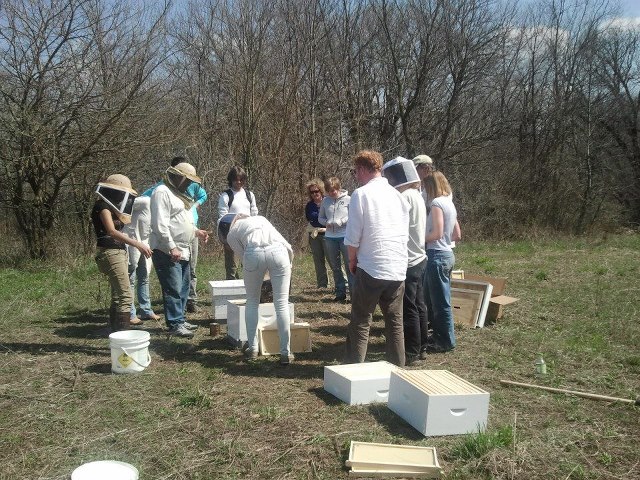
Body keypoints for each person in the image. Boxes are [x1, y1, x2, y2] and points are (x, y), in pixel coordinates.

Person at [344, 150, 410, 367]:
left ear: (363, 169)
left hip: (372, 265)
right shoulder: (398, 196)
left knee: (361, 320)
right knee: (395, 323)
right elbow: (403, 232)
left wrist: (352, 261)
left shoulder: (361, 195)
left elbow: (353, 237)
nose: (356, 176)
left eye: (356, 172)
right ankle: (398, 368)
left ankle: (355, 369)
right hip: (397, 266)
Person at [219, 214, 295, 365]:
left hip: (253, 254)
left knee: (252, 301)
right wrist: (289, 264)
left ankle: (253, 348)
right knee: (281, 303)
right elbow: (285, 243)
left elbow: (244, 257)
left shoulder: (232, 234)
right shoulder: (260, 218)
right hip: (280, 252)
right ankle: (285, 352)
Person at [150, 162, 209, 338]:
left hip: (183, 249)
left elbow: (181, 221)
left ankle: (180, 319)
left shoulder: (179, 195)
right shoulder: (162, 192)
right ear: (177, 176)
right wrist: (171, 246)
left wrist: (196, 232)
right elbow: (160, 224)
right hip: (168, 250)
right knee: (173, 288)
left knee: (183, 286)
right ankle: (174, 323)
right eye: (187, 180)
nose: (189, 184)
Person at [381, 157, 428, 365]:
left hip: (409, 259)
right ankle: (422, 347)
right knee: (419, 305)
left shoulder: (406, 197)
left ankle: (412, 352)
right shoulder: (415, 194)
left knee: (409, 307)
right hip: (419, 256)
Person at [92, 174, 152, 333]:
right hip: (110, 252)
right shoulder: (102, 206)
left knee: (118, 296)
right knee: (126, 296)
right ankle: (124, 336)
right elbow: (111, 231)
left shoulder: (110, 207)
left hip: (117, 252)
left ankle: (115, 332)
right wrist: (137, 244)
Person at [423, 171, 461, 353]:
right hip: (447, 254)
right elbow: (457, 235)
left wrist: (420, 239)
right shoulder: (449, 204)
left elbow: (436, 233)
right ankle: (440, 335)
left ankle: (445, 341)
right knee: (439, 300)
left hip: (437, 255)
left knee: (440, 302)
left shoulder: (437, 203)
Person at [217, 165, 259, 279]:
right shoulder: (226, 196)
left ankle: (250, 292)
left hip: (249, 235)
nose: (239, 182)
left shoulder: (249, 195)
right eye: (236, 179)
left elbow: (254, 213)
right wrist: (226, 240)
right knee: (232, 269)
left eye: (241, 179)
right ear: (231, 180)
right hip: (232, 235)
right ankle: (231, 293)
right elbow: (222, 218)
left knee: (250, 266)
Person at [124, 196, 159, 323]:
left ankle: (146, 310)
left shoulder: (158, 208)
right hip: (132, 239)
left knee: (144, 277)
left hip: (146, 241)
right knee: (131, 277)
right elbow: (123, 206)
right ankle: (131, 313)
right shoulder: (145, 201)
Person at [318, 177, 352, 302]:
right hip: (330, 237)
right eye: (329, 191)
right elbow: (320, 218)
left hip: (345, 236)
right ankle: (340, 293)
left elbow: (352, 215)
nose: (332, 193)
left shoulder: (348, 199)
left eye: (334, 190)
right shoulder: (325, 201)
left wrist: (341, 221)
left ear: (338, 188)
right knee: (335, 266)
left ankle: (353, 293)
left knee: (349, 265)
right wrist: (327, 222)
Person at [304, 179, 329, 289]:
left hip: (328, 234)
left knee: (333, 260)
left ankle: (343, 283)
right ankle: (322, 284)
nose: (314, 194)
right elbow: (309, 218)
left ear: (321, 190)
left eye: (316, 191)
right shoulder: (309, 205)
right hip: (314, 235)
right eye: (312, 192)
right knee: (318, 261)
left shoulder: (328, 202)